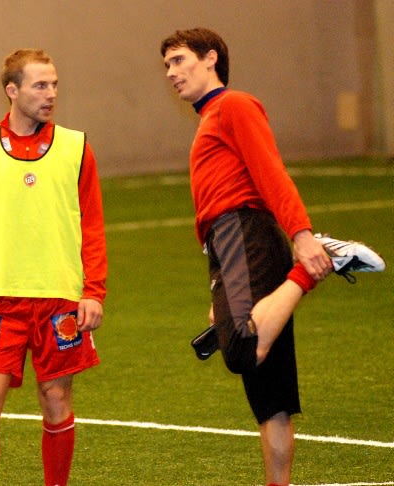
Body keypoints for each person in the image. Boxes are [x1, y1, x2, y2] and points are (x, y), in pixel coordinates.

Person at [160, 28, 386, 486]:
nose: (171, 72)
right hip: (234, 244)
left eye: (179, 60)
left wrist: (301, 236)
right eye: (166, 65)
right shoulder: (210, 117)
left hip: (243, 234)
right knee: (271, 399)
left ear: (210, 59)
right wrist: (221, 286)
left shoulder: (233, 105)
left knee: (243, 350)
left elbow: (269, 171)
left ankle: (313, 267)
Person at [0, 48, 107, 486]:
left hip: (60, 300)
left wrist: (93, 290)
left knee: (56, 401)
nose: (51, 93)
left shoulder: (76, 148)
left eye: (54, 84)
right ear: (12, 90)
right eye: (40, 85)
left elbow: (93, 226)